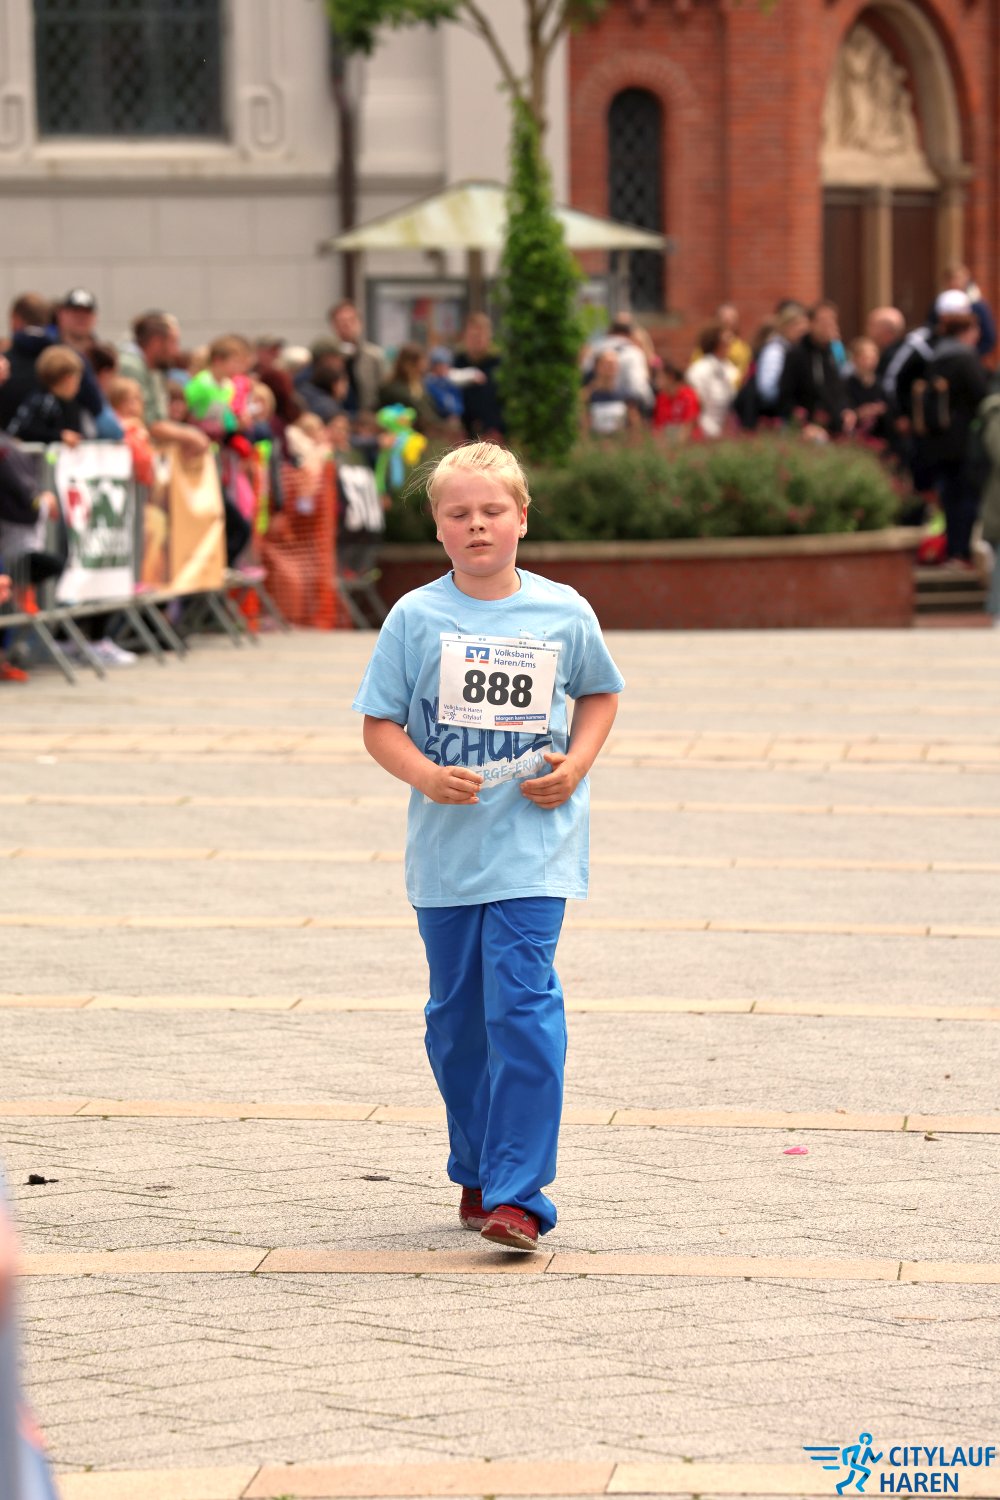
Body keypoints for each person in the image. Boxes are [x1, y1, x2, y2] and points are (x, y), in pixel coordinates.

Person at [353, 441, 623, 1250]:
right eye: (459, 514)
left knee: (523, 1006)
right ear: (438, 528)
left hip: (535, 847)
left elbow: (601, 694)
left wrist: (575, 765)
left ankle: (518, 1195)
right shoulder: (415, 617)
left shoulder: (564, 611)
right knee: (457, 1024)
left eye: (492, 511)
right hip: (446, 857)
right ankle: (477, 1164)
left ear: (522, 519)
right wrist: (425, 775)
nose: (477, 525)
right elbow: (378, 724)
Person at [911, 297, 988, 566]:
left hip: (938, 439)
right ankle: (960, 551)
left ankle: (952, 550)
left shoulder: (936, 357)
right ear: (966, 331)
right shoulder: (965, 358)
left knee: (949, 496)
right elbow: (981, 396)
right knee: (966, 496)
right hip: (963, 440)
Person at [118, 313, 210, 457]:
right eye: (174, 342)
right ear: (156, 342)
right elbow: (147, 421)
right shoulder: (131, 366)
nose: (176, 351)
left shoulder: (153, 368)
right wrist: (189, 435)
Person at [778, 301, 854, 439]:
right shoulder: (796, 355)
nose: (829, 326)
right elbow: (785, 397)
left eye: (832, 321)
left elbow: (840, 391)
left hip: (834, 428)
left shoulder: (834, 353)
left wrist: (846, 410)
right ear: (811, 324)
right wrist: (803, 423)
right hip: (807, 429)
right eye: (823, 321)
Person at [6, 346, 85, 447]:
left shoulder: (67, 404)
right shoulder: (44, 402)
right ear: (67, 379)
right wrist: (60, 436)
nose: (78, 387)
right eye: (77, 381)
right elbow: (27, 430)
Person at [327, 299, 387, 412]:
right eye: (341, 321)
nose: (347, 325)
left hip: (368, 413)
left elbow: (383, 389)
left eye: (351, 320)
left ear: (360, 323)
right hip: (336, 414)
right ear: (333, 325)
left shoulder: (373, 356)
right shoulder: (327, 356)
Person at [586, 313, 653, 412]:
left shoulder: (595, 348)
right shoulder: (633, 352)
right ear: (629, 334)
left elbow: (585, 374)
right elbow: (638, 387)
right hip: (627, 407)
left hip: (594, 404)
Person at [453, 313, 505, 439]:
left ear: (489, 337)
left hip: (493, 433)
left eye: (481, 336)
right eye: (473, 336)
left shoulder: (498, 364)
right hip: (463, 433)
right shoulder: (457, 363)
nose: (477, 341)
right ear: (465, 337)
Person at [685, 323, 737, 439]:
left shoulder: (731, 368)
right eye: (726, 340)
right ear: (715, 342)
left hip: (730, 431)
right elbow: (695, 406)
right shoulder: (699, 370)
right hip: (706, 430)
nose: (730, 343)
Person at [378, 342, 437, 430]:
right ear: (410, 364)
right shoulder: (393, 389)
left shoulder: (419, 385)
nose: (426, 366)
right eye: (422, 362)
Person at [582, 349, 642, 436]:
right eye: (607, 364)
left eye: (614, 364)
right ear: (596, 367)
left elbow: (635, 427)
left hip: (619, 442)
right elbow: (582, 427)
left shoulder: (627, 395)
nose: (611, 367)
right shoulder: (586, 396)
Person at [844, 336, 889, 438]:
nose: (869, 363)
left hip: (878, 435)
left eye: (872, 358)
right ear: (854, 359)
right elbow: (844, 408)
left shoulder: (882, 384)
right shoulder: (846, 384)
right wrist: (858, 413)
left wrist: (880, 409)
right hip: (854, 436)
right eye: (864, 358)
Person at [650, 359, 699, 440]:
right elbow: (658, 428)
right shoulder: (661, 398)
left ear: (671, 377)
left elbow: (689, 425)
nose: (656, 380)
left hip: (689, 443)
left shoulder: (688, 395)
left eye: (660, 377)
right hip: (668, 442)